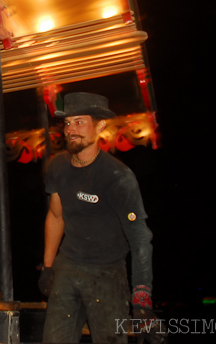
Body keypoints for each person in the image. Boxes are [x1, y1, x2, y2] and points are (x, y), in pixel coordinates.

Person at [39, 92, 158, 343]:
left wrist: (142, 294)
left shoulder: (118, 177)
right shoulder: (57, 166)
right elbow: (55, 215)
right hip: (68, 265)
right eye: (67, 123)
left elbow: (139, 237)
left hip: (108, 271)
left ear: (100, 125)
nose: (71, 129)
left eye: (79, 122)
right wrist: (48, 267)